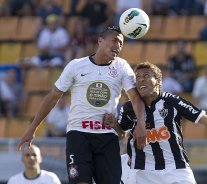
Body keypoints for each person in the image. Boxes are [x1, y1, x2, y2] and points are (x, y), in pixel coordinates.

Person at [17, 26, 146, 184]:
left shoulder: (122, 67)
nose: (118, 46)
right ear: (100, 40)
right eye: (115, 41)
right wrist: (32, 128)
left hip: (107, 136)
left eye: (121, 43)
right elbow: (52, 97)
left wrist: (141, 124)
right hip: (79, 134)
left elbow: (135, 98)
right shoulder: (76, 66)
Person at [103, 61, 207, 184]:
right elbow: (121, 132)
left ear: (159, 81)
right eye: (137, 77)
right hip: (140, 172)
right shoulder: (129, 107)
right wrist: (114, 124)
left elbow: (206, 120)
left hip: (174, 169)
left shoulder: (172, 102)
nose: (140, 80)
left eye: (146, 76)